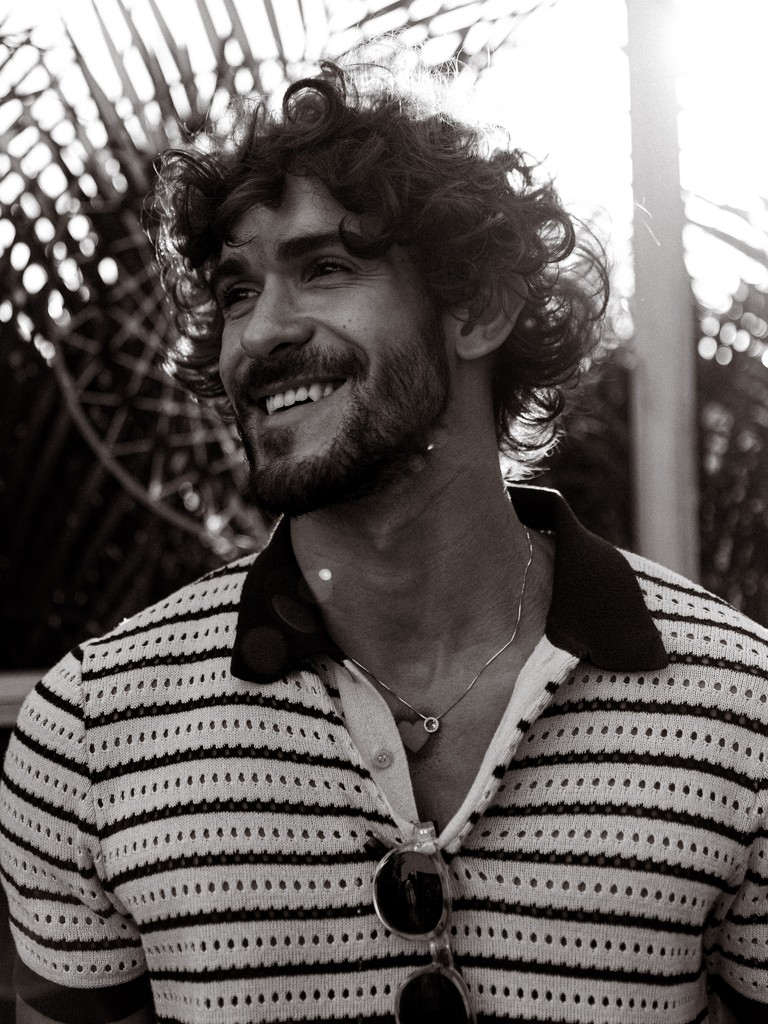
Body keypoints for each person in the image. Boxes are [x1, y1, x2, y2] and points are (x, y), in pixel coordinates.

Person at [1, 41, 767, 1024]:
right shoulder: (91, 733)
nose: (259, 333)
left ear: (479, 308)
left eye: (325, 267)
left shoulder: (740, 711)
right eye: (236, 292)